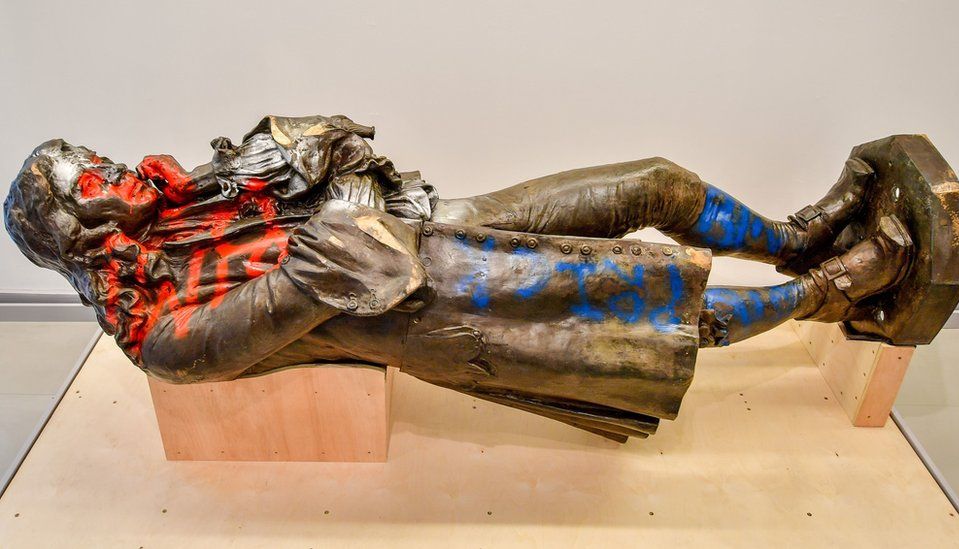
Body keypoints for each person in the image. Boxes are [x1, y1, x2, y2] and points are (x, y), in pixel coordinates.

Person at [3, 115, 912, 440]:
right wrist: (338, 202)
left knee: (652, 185)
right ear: (78, 232)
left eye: (94, 155)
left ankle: (799, 235)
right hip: (440, 305)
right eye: (89, 177)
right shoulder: (163, 334)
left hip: (443, 220)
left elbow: (322, 153)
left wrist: (313, 156)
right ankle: (831, 291)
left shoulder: (187, 199)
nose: (113, 167)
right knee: (653, 318)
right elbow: (320, 276)